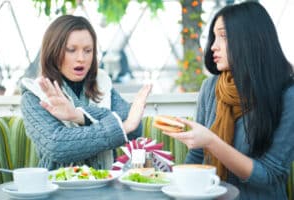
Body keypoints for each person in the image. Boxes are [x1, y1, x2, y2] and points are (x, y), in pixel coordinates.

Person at [162, 2, 294, 199]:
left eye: (223, 36)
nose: (213, 46)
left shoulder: (288, 95)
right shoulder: (210, 87)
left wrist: (212, 141)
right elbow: (198, 157)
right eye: (214, 36)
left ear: (251, 39)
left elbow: (270, 175)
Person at [20, 15, 152, 170]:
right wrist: (122, 126)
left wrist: (79, 116)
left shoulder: (102, 84)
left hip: (106, 184)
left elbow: (134, 129)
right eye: (71, 50)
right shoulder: (33, 96)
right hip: (58, 188)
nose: (81, 58)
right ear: (53, 52)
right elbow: (58, 146)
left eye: (88, 50)